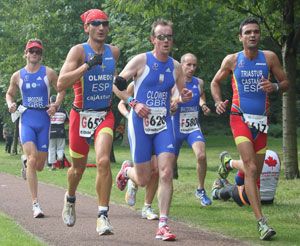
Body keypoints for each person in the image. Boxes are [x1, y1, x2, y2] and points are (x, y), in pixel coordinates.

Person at [210, 17, 289, 240]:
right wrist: (217, 101)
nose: (252, 35)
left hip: (261, 122)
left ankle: (227, 163)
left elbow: (286, 83)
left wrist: (274, 86)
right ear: (241, 37)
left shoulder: (270, 58)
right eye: (247, 32)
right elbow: (215, 82)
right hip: (239, 117)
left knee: (254, 173)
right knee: (252, 168)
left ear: (259, 35)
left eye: (255, 32)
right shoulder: (233, 60)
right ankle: (261, 222)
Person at [115, 19, 192, 241]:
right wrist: (133, 103)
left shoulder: (176, 66)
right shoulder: (141, 61)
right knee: (142, 178)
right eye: (161, 37)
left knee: (166, 171)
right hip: (140, 123)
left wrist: (180, 98)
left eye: (169, 37)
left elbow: (179, 92)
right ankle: (127, 171)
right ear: (153, 39)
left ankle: (163, 224)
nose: (166, 41)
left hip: (163, 123)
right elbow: (117, 84)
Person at [57, 9, 129, 236]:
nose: (101, 27)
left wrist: (127, 95)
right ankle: (70, 199)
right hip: (80, 115)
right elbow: (60, 84)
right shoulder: (78, 51)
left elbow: (113, 82)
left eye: (105, 24)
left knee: (104, 161)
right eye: (95, 23)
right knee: (77, 169)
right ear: (86, 28)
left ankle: (102, 216)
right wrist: (87, 65)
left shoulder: (114, 52)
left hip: (104, 115)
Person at [5, 38, 64, 218]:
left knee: (39, 165)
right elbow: (9, 93)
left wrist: (55, 106)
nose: (34, 54)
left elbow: (61, 89)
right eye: (31, 51)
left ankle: (26, 163)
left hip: (44, 120)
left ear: (41, 55)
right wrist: (10, 104)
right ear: (26, 53)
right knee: (32, 159)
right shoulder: (17, 75)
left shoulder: (49, 73)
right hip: (28, 119)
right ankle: (35, 204)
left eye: (38, 52)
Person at [171, 53, 211, 206]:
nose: (192, 68)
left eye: (194, 65)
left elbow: (201, 95)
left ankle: (200, 190)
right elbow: (170, 104)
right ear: (181, 65)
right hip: (175, 128)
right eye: (188, 64)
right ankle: (167, 192)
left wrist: (203, 105)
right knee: (169, 165)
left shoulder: (199, 82)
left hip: (193, 127)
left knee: (201, 156)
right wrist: (174, 105)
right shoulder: (173, 83)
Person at [118, 81, 159, 220]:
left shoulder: (166, 79)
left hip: (158, 127)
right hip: (138, 129)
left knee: (157, 168)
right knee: (144, 178)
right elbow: (121, 103)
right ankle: (128, 172)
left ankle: (147, 207)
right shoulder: (135, 83)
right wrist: (128, 115)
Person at [212, 149, 281, 206]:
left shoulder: (250, 156)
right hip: (269, 199)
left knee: (231, 189)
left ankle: (216, 192)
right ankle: (228, 172)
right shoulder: (275, 154)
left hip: (251, 199)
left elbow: (239, 181)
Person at [48, 95, 69, 170]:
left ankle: (53, 166)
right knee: (60, 148)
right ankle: (60, 157)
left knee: (51, 148)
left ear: (50, 101)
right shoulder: (63, 111)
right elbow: (67, 122)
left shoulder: (48, 111)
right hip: (61, 132)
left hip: (51, 132)